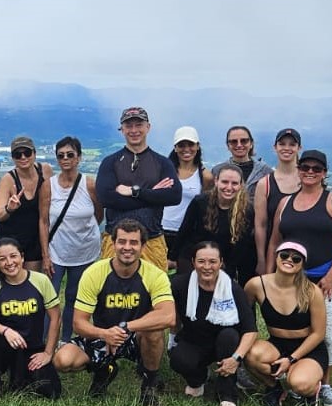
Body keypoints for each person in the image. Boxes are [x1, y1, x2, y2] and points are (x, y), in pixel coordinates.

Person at [52, 219, 175, 406]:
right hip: (103, 333)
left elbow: (168, 317)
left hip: (136, 335)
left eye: (134, 242)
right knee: (63, 360)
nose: (127, 247)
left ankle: (149, 387)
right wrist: (104, 334)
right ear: (113, 243)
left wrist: (127, 328)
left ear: (143, 246)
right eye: (122, 242)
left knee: (155, 331)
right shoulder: (95, 272)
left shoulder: (154, 275)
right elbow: (78, 323)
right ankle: (104, 370)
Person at [268, 149, 332, 406]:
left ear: (324, 173)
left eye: (316, 169)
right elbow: (275, 240)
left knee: (325, 335)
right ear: (298, 169)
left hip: (323, 278)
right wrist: (271, 275)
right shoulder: (285, 203)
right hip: (289, 278)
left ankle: (325, 386)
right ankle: (297, 377)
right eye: (305, 167)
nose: (310, 172)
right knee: (295, 330)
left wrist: (331, 276)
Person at [169, 242, 257, 406]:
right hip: (194, 339)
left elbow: (250, 330)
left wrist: (236, 358)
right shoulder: (180, 284)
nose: (207, 267)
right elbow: (174, 316)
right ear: (193, 262)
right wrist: (172, 340)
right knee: (178, 359)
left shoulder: (232, 288)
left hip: (226, 343)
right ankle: (199, 379)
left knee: (229, 336)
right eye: (201, 261)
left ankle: (227, 394)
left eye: (212, 262)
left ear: (221, 263)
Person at [94, 107, 182, 272]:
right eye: (129, 126)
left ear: (148, 127)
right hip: (116, 241)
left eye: (138, 125)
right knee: (110, 291)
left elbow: (174, 195)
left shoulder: (162, 163)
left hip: (152, 240)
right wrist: (152, 194)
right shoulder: (110, 162)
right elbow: (106, 198)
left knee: (154, 293)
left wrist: (135, 192)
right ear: (122, 130)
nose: (134, 130)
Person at [243, 241, 328, 406]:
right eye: (284, 255)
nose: (289, 260)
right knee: (251, 355)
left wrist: (291, 359)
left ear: (302, 265)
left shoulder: (312, 291)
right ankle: (274, 387)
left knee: (300, 383)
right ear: (276, 257)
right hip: (277, 343)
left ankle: (310, 391)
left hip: (308, 348)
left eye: (296, 259)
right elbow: (245, 317)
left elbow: (318, 334)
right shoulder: (255, 285)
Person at [0, 238, 62, 399]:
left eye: (13, 256)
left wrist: (48, 352)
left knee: (51, 392)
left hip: (32, 348)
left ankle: (21, 377)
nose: (9, 262)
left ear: (22, 257)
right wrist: (6, 331)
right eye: (2, 259)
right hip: (6, 346)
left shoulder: (40, 280)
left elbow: (55, 318)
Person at [38, 136, 102, 344]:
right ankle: (45, 340)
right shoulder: (49, 186)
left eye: (70, 155)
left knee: (75, 297)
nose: (65, 159)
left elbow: (99, 214)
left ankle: (66, 339)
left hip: (85, 252)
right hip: (57, 251)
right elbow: (43, 221)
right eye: (61, 155)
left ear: (79, 158)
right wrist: (45, 255)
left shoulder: (89, 184)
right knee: (50, 297)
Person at [171, 163, 255, 284]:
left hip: (223, 262)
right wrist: (172, 257)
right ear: (216, 181)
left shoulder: (247, 210)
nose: (229, 187)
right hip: (193, 257)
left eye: (234, 183)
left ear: (241, 185)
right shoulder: (200, 202)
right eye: (224, 182)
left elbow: (241, 245)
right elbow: (185, 230)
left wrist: (229, 271)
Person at [0, 135, 53, 271]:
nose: (23, 157)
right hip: (12, 240)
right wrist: (9, 208)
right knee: (12, 282)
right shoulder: (8, 180)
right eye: (17, 155)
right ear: (13, 158)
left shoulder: (45, 171)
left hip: (35, 239)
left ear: (34, 154)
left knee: (32, 282)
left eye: (27, 153)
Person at [162, 126, 213, 270]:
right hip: (161, 230)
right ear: (175, 148)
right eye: (181, 145)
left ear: (197, 146)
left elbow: (205, 209)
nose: (186, 149)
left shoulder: (205, 176)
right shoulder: (164, 171)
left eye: (190, 145)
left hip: (187, 234)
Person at [253, 127, 301, 277]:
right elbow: (260, 224)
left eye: (292, 144)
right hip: (274, 252)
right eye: (282, 144)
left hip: (302, 250)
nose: (287, 148)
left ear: (299, 148)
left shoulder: (307, 179)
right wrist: (261, 259)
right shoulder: (265, 184)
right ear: (275, 148)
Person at [214, 125, 272, 202]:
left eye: (244, 141)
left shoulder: (265, 172)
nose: (239, 145)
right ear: (228, 146)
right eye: (234, 142)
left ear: (251, 143)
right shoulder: (217, 171)